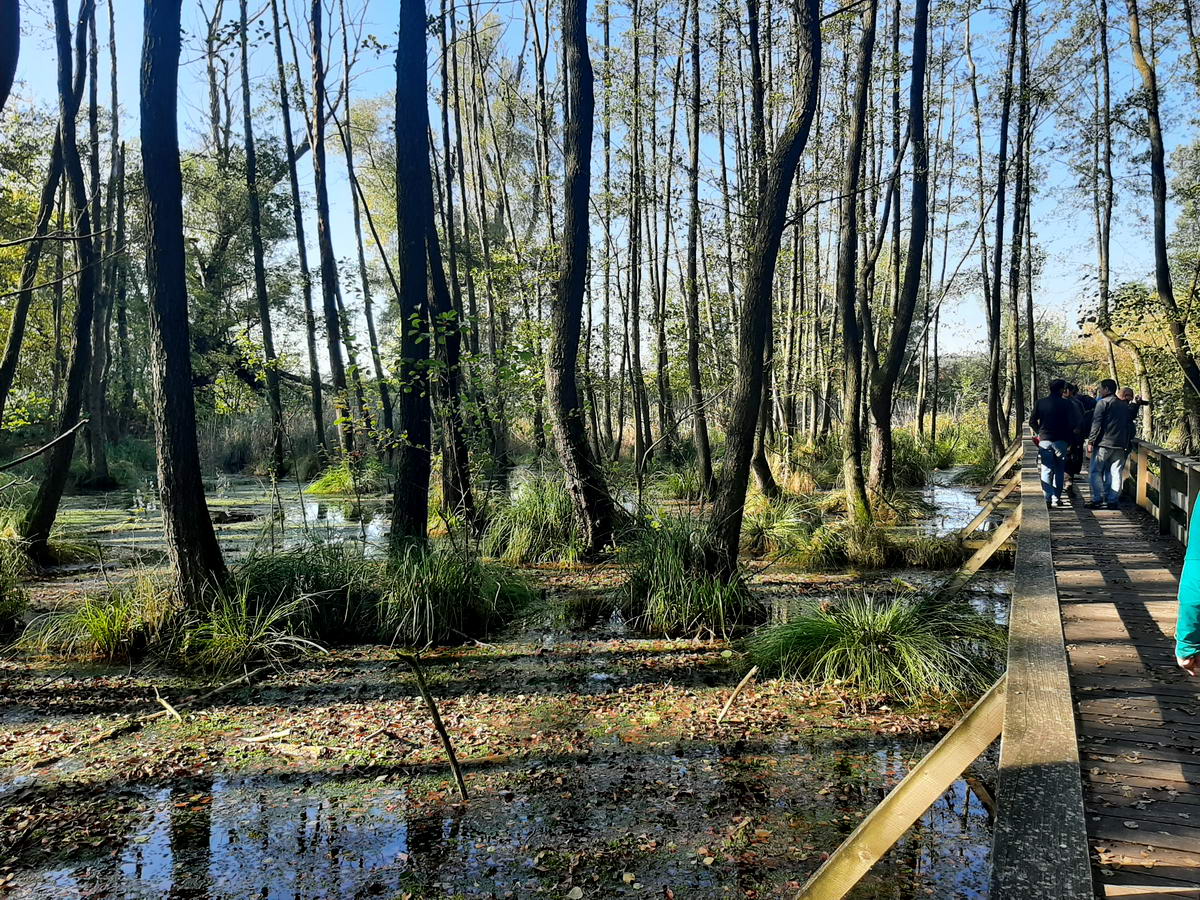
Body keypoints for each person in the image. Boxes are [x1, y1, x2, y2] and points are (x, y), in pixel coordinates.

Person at [1087, 378, 1138, 509]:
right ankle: (1113, 500)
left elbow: (1096, 423)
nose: (1100, 391)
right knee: (1116, 472)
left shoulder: (1103, 403)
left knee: (1095, 471)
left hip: (1104, 443)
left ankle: (1098, 498)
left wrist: (1091, 441)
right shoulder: (1123, 405)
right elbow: (1128, 422)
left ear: (1106, 389)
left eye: (1101, 389)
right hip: (1120, 444)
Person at [1030, 379, 1080, 508]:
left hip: (1045, 440)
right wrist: (1069, 437)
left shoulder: (1040, 403)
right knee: (1059, 470)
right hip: (1061, 441)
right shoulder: (1067, 404)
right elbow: (1074, 423)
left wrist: (1039, 432)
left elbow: (1032, 421)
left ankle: (1047, 498)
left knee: (1046, 470)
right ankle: (1056, 499)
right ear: (1062, 389)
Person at [1065, 384, 1094, 486]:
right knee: (1075, 453)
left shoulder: (1064, 402)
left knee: (1067, 454)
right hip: (1077, 433)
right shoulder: (1079, 401)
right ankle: (1071, 474)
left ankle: (1067, 477)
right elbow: (1083, 417)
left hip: (1064, 434)